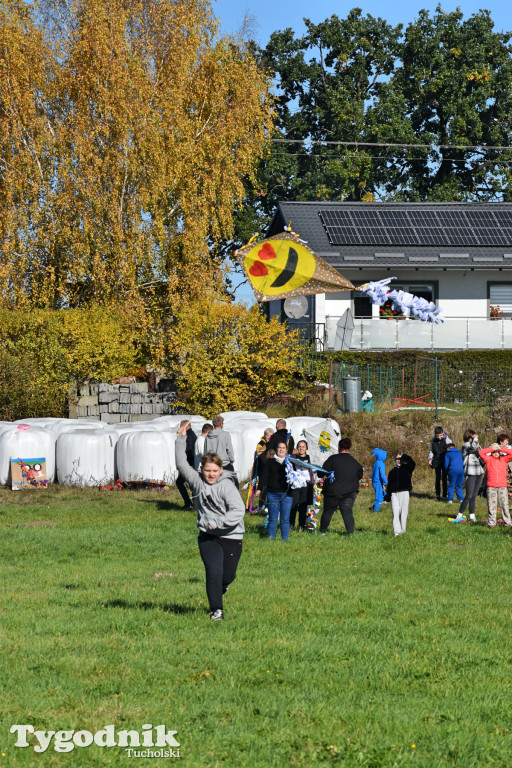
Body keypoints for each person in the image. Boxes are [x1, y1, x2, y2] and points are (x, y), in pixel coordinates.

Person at [175, 424, 245, 620]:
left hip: (231, 534)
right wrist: (181, 438)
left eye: (215, 470)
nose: (211, 474)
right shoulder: (197, 481)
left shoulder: (227, 486)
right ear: (202, 470)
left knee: (227, 576)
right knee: (213, 571)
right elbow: (182, 464)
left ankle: (222, 587)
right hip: (208, 535)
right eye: (207, 471)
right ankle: (217, 610)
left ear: (221, 470)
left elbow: (239, 510)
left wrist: (219, 522)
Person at [319, 437, 363, 535]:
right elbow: (360, 475)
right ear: (349, 447)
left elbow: (321, 473)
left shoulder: (332, 459)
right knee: (347, 512)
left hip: (332, 492)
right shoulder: (355, 463)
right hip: (349, 492)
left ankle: (322, 531)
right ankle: (350, 533)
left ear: (339, 447)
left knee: (328, 512)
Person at [256, 442, 294, 541]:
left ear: (286, 450)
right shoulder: (270, 462)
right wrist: (259, 488)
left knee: (285, 520)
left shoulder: (290, 462)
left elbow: (297, 476)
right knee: (273, 519)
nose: (281, 450)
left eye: (283, 448)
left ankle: (284, 540)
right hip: (273, 494)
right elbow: (264, 476)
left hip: (287, 495)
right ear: (276, 450)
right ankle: (270, 540)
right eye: (279, 448)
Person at [478, 443, 512, 528]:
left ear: (500, 453)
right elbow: (481, 452)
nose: (496, 453)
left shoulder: (504, 459)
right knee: (491, 506)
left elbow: (511, 453)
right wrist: (491, 449)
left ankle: (507, 523)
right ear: (491, 453)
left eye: (497, 452)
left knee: (504, 505)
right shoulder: (488, 459)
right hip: (491, 487)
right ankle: (492, 523)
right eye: (494, 452)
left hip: (502, 486)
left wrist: (501, 448)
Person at [385, 452, 416, 536]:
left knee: (403, 513)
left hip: (404, 493)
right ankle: (397, 532)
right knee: (395, 513)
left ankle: (403, 531)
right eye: (397, 459)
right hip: (394, 494)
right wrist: (387, 497)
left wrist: (404, 456)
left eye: (400, 459)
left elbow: (413, 463)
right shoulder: (392, 472)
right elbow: (389, 485)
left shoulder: (407, 469)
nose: (398, 461)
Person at [458, 430, 484, 522]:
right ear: (470, 438)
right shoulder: (465, 445)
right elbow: (472, 448)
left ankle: (472, 516)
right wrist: (476, 440)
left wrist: (479, 445)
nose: (475, 440)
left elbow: (482, 453)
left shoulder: (475, 445)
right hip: (470, 472)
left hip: (478, 472)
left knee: (474, 496)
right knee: (468, 495)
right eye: (473, 438)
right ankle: (459, 514)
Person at [289, 439, 314, 531]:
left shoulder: (309, 458)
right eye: (299, 446)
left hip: (305, 487)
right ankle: (291, 526)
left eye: (303, 446)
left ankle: (301, 527)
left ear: (306, 448)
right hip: (295, 486)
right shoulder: (293, 458)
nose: (301, 448)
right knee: (293, 506)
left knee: (303, 507)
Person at [176, 419, 197, 510]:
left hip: (189, 465)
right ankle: (192, 504)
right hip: (190, 464)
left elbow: (187, 451)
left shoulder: (189, 437)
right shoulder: (191, 435)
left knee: (181, 483)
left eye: (181, 427)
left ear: (185, 427)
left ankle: (190, 504)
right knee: (189, 484)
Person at [428, 426, 452, 500]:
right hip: (437, 461)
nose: (439, 437)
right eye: (437, 436)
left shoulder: (448, 440)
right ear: (435, 435)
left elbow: (451, 450)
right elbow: (431, 450)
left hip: (445, 461)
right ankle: (437, 495)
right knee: (437, 478)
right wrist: (430, 458)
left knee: (444, 478)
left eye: (441, 435)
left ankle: (445, 495)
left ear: (443, 433)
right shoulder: (433, 440)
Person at [370, 448, 387, 512]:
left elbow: (372, 474)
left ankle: (375, 508)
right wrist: (387, 483)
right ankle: (376, 511)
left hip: (375, 483)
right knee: (379, 498)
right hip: (378, 483)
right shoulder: (381, 464)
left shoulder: (375, 463)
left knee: (383, 495)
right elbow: (382, 475)